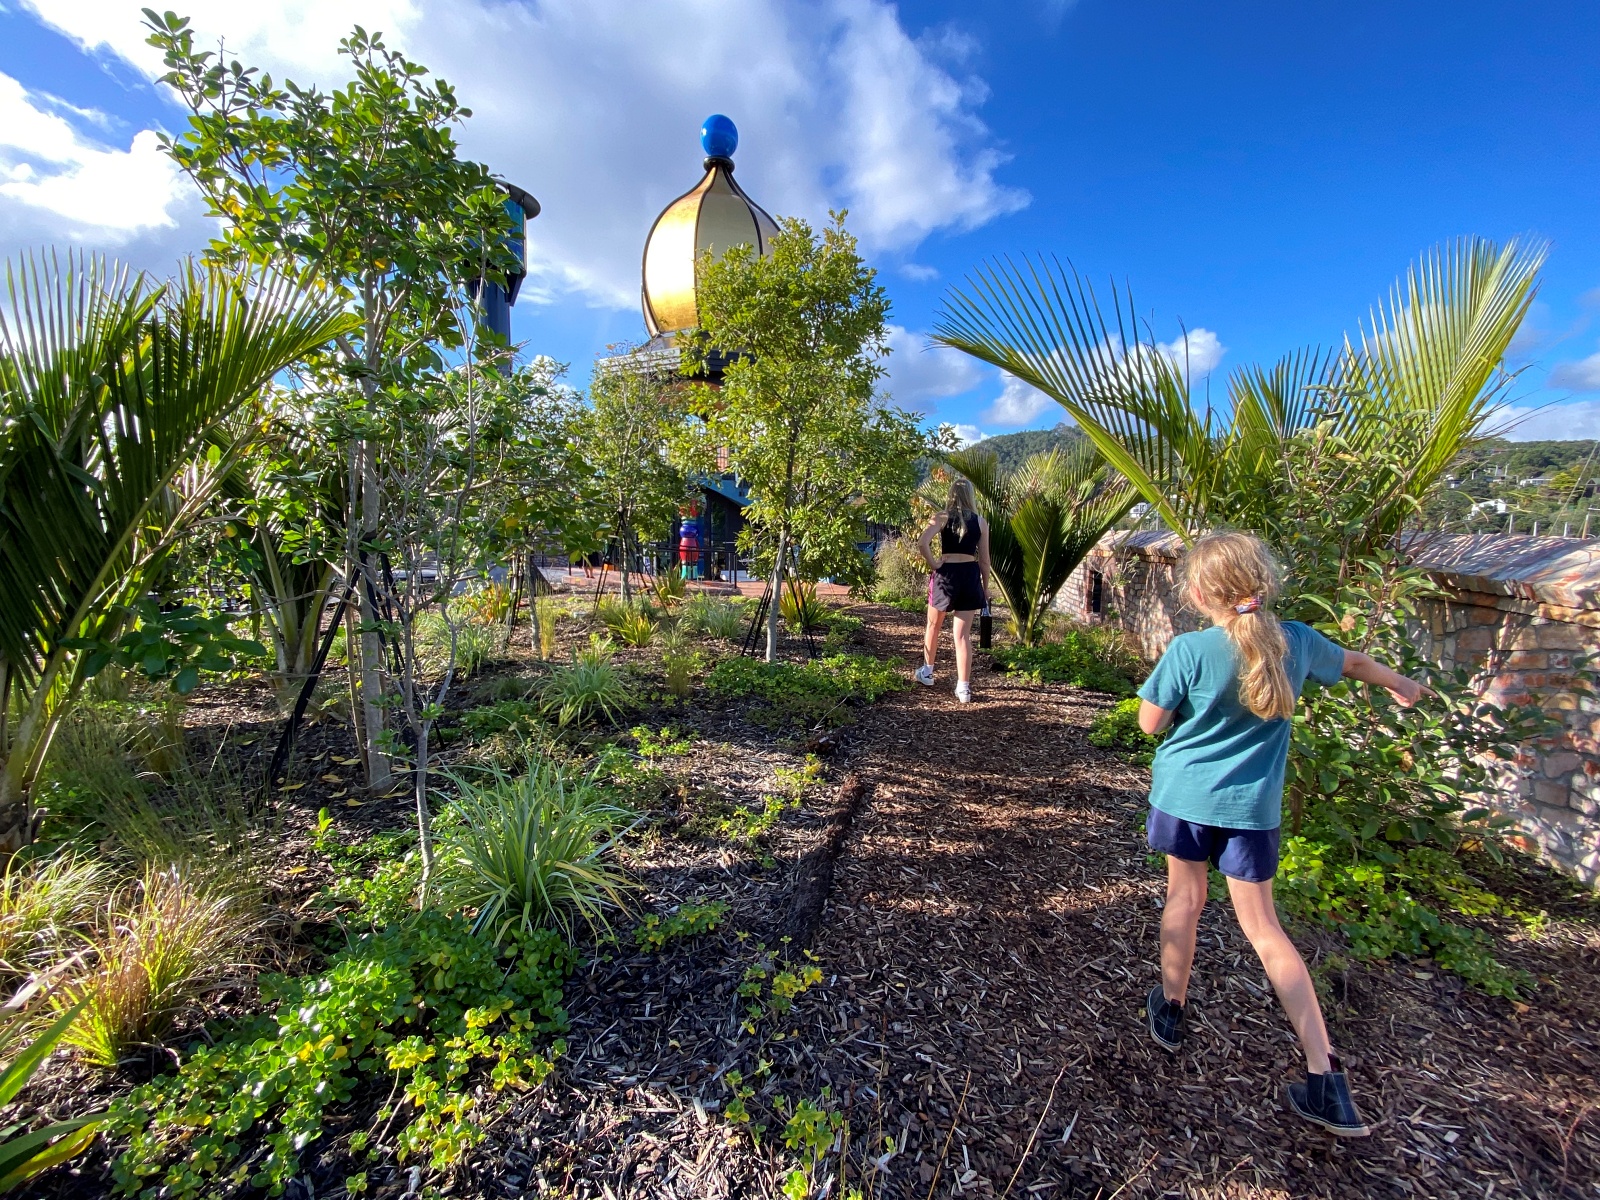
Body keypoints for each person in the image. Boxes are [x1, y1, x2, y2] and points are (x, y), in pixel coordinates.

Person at [1135, 530, 1424, 1137]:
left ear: (1197, 593)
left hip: (1186, 799)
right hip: (1253, 810)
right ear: (1260, 584)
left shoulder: (1190, 650)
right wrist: (1403, 685)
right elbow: (1357, 663)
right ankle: (1326, 1079)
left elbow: (1149, 722)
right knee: (1265, 929)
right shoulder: (1295, 642)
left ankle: (1170, 1011)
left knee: (1184, 900)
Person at [914, 478, 992, 703]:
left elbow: (922, 543)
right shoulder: (981, 522)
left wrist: (934, 564)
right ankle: (964, 689)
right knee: (962, 635)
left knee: (933, 625)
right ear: (970, 496)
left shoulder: (941, 517)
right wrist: (985, 588)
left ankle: (927, 672)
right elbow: (985, 560)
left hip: (946, 574)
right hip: (969, 575)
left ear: (951, 494)